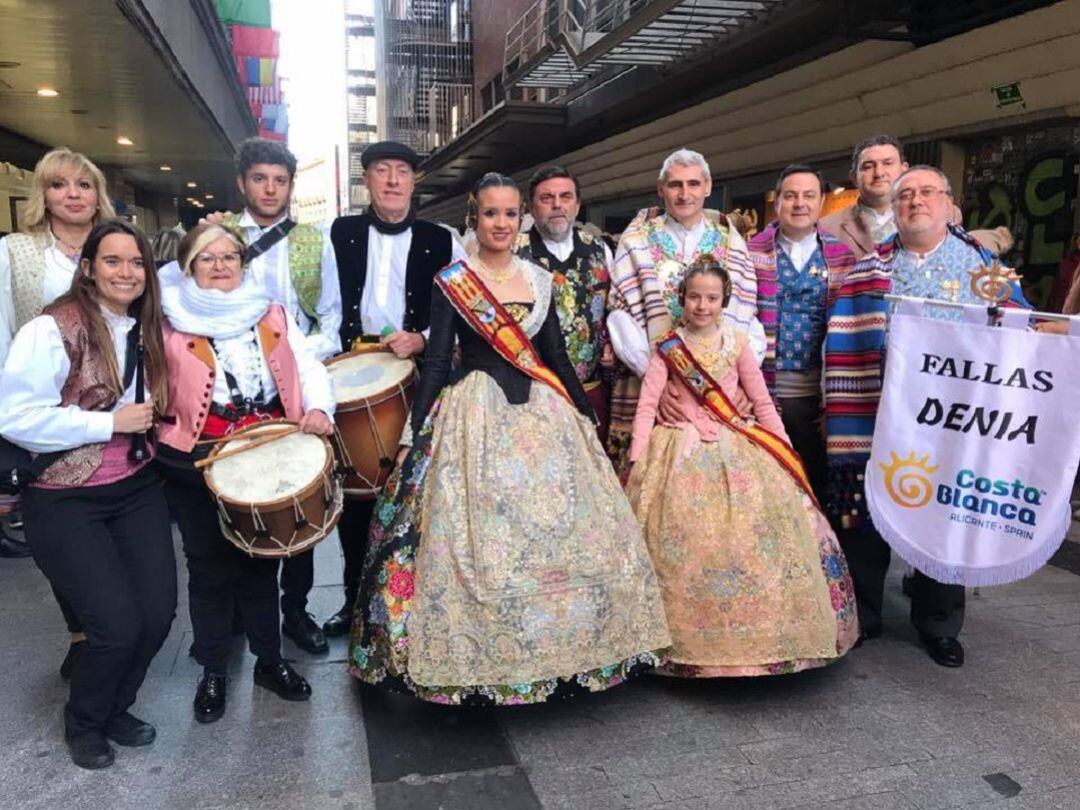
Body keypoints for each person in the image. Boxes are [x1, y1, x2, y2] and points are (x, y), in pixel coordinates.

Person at [349, 173, 670, 704]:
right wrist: (413, 432)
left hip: (542, 413)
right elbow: (435, 364)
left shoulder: (540, 279)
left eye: (510, 213)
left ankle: (565, 651)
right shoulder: (453, 280)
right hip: (473, 415)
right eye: (491, 214)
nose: (501, 223)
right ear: (476, 218)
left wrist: (583, 417)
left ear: (522, 218)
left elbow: (556, 357)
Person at [823, 166, 1031, 668]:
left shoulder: (982, 268)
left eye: (927, 193)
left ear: (948, 202)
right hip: (880, 414)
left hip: (951, 424)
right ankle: (865, 614)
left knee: (942, 516)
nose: (916, 202)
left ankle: (939, 623)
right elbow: (839, 340)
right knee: (867, 513)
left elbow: (1024, 329)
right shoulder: (869, 268)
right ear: (893, 208)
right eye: (905, 195)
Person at [0, 219, 176, 769]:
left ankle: (115, 706)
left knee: (157, 615)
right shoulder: (51, 328)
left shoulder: (146, 326)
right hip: (63, 497)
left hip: (136, 486)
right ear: (89, 268)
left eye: (136, 262)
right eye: (113, 261)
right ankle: (85, 721)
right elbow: (14, 417)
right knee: (114, 626)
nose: (126, 272)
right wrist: (108, 423)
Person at [627, 260, 857, 676]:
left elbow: (763, 402)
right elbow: (647, 404)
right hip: (677, 448)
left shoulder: (736, 344)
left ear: (724, 301)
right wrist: (638, 459)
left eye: (711, 298)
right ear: (682, 299)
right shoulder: (667, 346)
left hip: (736, 443)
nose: (702, 305)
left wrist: (784, 453)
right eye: (694, 296)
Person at [165, 138, 342, 655]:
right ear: (243, 184)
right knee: (227, 541)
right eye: (260, 179)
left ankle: (297, 611)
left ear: (290, 186)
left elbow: (329, 315)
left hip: (288, 393)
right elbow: (169, 302)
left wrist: (300, 370)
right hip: (221, 408)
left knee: (298, 508)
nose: (270, 189)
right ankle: (235, 626)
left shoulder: (312, 239)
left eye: (280, 180)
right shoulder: (217, 237)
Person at [156, 223, 336, 723]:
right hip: (196, 457)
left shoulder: (270, 310)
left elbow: (306, 364)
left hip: (264, 450)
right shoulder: (166, 316)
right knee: (209, 569)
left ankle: (269, 661)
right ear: (188, 264)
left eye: (229, 256)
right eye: (207, 258)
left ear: (243, 261)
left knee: (261, 564)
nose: (220, 266)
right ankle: (213, 668)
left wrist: (319, 407)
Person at [323, 140, 466, 638]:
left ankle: (409, 600)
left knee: (413, 488)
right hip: (352, 370)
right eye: (381, 170)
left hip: (416, 372)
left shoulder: (444, 238)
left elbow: (465, 308)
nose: (392, 180)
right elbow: (324, 305)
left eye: (401, 171)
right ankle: (353, 601)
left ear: (413, 181)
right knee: (356, 489)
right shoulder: (337, 232)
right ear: (368, 179)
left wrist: (422, 338)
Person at [0, 147, 118, 658]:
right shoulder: (15, 252)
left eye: (83, 184)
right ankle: (81, 633)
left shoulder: (117, 245)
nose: (73, 194)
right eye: (59, 185)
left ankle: (117, 625)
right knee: (65, 531)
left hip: (119, 408)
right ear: (43, 195)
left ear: (98, 194)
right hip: (48, 411)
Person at [606, 148, 763, 474]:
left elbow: (747, 315)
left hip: (721, 392)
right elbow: (620, 318)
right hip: (652, 390)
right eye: (675, 185)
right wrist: (660, 385)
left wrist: (737, 385)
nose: (684, 193)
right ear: (661, 189)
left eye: (693, 184)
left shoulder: (730, 238)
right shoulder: (637, 238)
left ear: (708, 186)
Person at [748, 164, 858, 505]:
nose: (799, 203)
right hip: (761, 389)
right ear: (777, 201)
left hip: (818, 393)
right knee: (766, 486)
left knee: (816, 486)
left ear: (821, 201)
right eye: (790, 195)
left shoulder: (842, 257)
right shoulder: (749, 252)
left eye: (808, 196)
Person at [515, 165, 614, 441]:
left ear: (578, 204)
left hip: (591, 390)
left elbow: (616, 308)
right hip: (533, 394)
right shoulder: (513, 252)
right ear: (531, 207)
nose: (557, 205)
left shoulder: (599, 250)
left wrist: (611, 343)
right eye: (546, 198)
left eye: (566, 197)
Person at [820, 134, 1011, 258]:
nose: (879, 173)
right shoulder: (827, 227)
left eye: (888, 163)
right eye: (868, 166)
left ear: (904, 170)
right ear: (854, 178)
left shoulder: (945, 213)